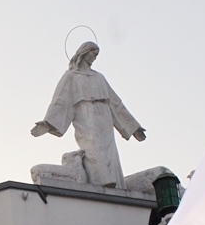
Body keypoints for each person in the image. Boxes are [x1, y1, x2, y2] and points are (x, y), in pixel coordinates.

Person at [31, 42, 145, 188]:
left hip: (104, 116)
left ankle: (115, 186)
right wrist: (47, 124)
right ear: (84, 53)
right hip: (85, 115)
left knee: (109, 152)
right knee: (93, 146)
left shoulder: (100, 77)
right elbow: (60, 100)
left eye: (97, 55)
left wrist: (133, 127)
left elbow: (116, 103)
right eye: (93, 54)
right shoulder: (71, 76)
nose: (95, 58)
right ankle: (101, 182)